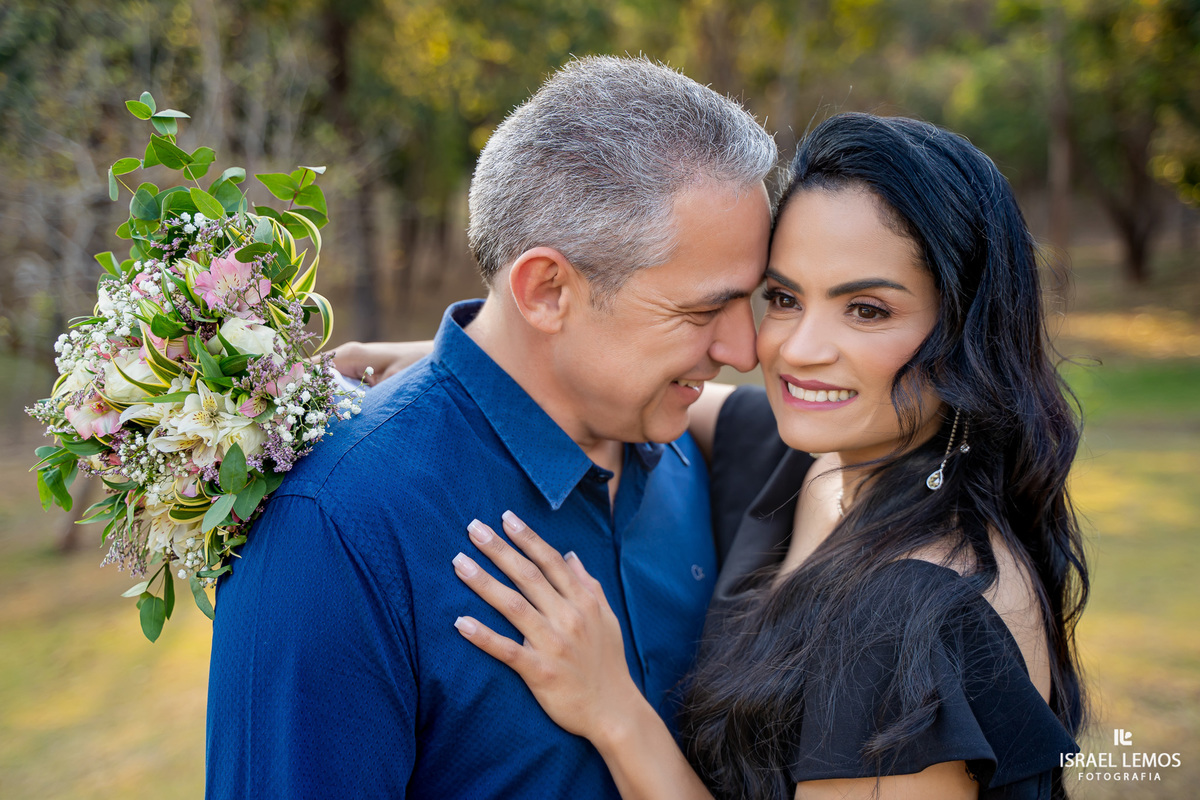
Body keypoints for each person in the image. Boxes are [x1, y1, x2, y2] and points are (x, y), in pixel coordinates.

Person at [448, 113, 1089, 800]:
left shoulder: (909, 615)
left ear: (967, 334)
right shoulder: (825, 462)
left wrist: (614, 711)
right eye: (783, 298)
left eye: (866, 310)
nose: (793, 350)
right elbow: (657, 392)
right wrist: (430, 361)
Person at [204, 56, 778, 799]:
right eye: (703, 311)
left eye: (755, 302)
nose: (745, 350)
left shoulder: (685, 448)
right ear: (546, 290)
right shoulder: (335, 526)